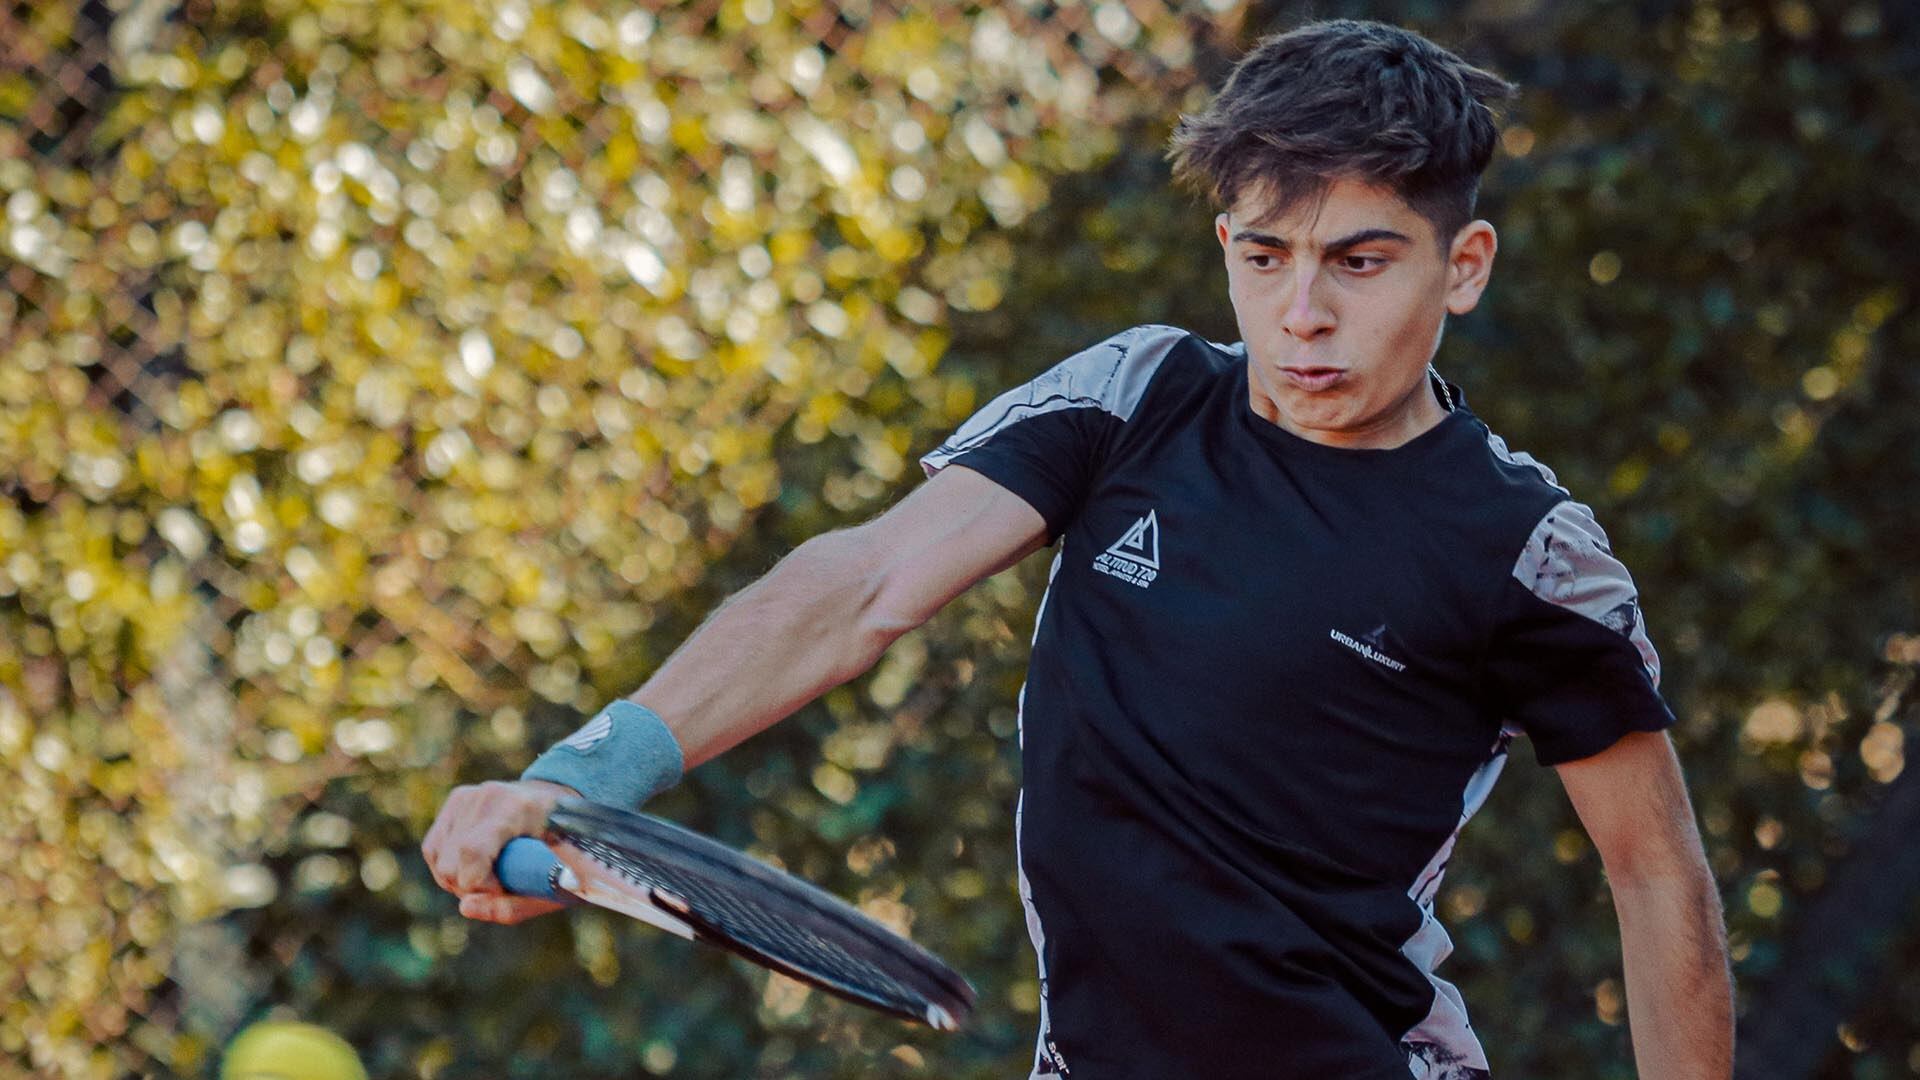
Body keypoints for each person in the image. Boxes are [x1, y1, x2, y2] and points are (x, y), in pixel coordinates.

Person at [422, 18, 1734, 1079]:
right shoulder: (1137, 398)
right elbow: (863, 584)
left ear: (1465, 267)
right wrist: (578, 777)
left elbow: (1655, 871)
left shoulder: (1529, 549)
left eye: (1362, 261)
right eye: (1266, 257)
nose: (1303, 313)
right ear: (1225, 245)